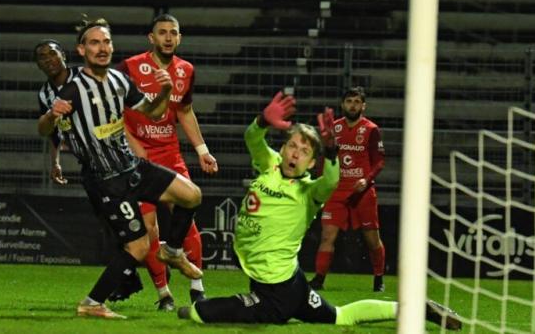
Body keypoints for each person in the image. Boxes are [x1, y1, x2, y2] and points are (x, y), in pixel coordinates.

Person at [176, 93, 461, 331]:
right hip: (287, 281)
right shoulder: (270, 165)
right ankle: (413, 308)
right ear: (284, 148)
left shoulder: (310, 193)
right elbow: (253, 139)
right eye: (292, 146)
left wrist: (333, 154)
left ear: (312, 163)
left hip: (278, 290)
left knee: (202, 313)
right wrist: (263, 121)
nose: (295, 154)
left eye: (304, 151)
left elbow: (332, 181)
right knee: (340, 316)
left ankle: (417, 309)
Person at [38, 17, 203, 319]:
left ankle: (172, 250)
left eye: (106, 42)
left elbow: (152, 113)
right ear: (82, 49)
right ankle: (92, 303)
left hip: (132, 167)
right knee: (138, 247)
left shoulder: (119, 80)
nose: (102, 48)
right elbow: (43, 128)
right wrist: (52, 114)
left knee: (192, 195)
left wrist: (165, 93)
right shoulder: (74, 88)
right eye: (94, 43)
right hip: (106, 181)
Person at [116, 14, 218, 311]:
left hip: (170, 154)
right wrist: (134, 146)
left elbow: (185, 111)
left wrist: (202, 150)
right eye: (162, 33)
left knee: (187, 217)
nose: (169, 38)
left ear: (179, 37)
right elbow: (116, 112)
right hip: (137, 158)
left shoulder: (186, 70)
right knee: (150, 230)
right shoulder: (130, 68)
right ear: (152, 38)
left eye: (173, 33)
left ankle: (198, 289)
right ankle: (164, 295)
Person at [310, 86, 387, 292]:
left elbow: (379, 162)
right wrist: (320, 182)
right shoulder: (333, 128)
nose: (352, 105)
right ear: (343, 104)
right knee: (327, 236)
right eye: (349, 101)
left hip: (362, 191)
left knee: (372, 239)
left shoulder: (371, 129)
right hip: (336, 190)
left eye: (356, 102)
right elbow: (324, 159)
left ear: (363, 105)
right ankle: (318, 280)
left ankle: (378, 278)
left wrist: (367, 180)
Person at [34, 39, 82, 185]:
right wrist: (55, 162)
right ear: (38, 65)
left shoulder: (84, 76)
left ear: (63, 56)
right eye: (42, 57)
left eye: (52, 53)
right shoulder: (44, 94)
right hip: (86, 158)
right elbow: (52, 132)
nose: (48, 59)